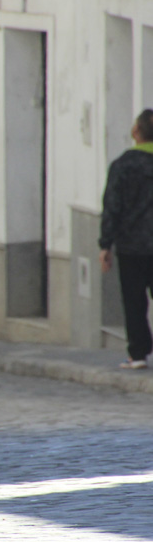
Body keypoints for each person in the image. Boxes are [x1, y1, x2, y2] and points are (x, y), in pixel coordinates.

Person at [99, 109, 153, 369]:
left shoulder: (122, 165)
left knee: (133, 300)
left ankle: (138, 354)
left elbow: (112, 207)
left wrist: (105, 244)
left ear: (135, 133)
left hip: (132, 246)